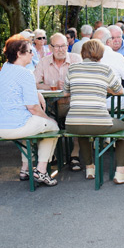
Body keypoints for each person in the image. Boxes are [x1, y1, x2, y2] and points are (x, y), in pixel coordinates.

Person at [0, 39, 59, 186]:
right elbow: (32, 107)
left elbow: (17, 88)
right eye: (30, 51)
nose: (33, 54)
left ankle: (25, 169)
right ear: (19, 54)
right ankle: (41, 170)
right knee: (54, 127)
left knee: (27, 126)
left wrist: (36, 91)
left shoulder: (6, 68)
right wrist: (48, 119)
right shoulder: (25, 74)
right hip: (12, 128)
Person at [64, 39, 124, 184]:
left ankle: (90, 167)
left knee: (83, 130)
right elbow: (119, 91)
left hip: (72, 123)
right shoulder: (105, 69)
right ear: (101, 55)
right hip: (100, 122)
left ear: (82, 53)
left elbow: (66, 92)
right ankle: (120, 172)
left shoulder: (72, 68)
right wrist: (103, 87)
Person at [33, 33, 82, 170]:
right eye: (57, 46)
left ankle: (75, 154)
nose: (61, 50)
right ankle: (51, 154)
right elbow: (34, 82)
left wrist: (68, 85)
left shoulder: (76, 59)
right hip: (51, 106)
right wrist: (49, 86)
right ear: (50, 47)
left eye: (64, 46)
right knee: (38, 117)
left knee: (78, 117)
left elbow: (82, 81)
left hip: (72, 103)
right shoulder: (44, 61)